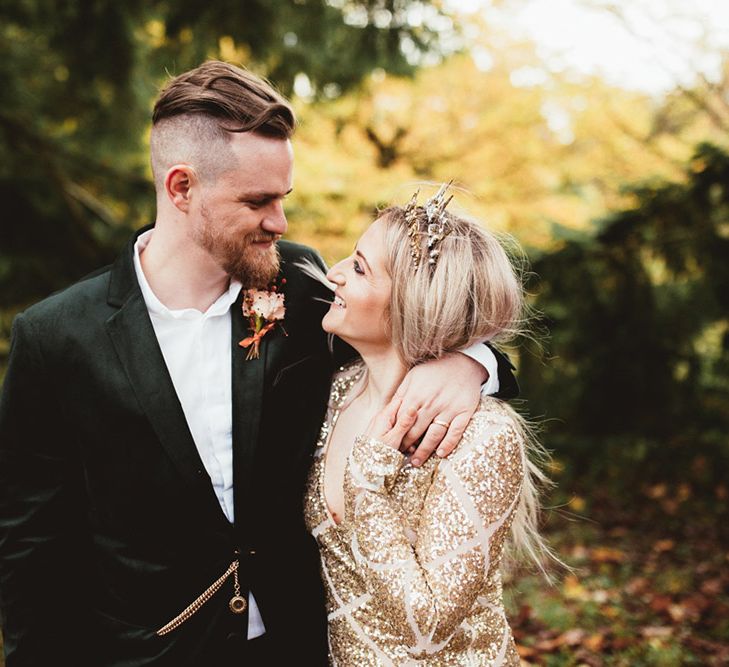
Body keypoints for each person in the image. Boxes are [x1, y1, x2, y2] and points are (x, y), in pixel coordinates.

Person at [0, 62, 517, 666]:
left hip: (300, 644)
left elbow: (413, 326)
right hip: (146, 651)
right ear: (181, 188)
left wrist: (471, 363)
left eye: (283, 197)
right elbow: (29, 542)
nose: (280, 221)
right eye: (258, 201)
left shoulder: (298, 288)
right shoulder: (58, 336)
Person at [304, 185, 551, 665]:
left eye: (358, 267)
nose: (331, 274)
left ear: (413, 305)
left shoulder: (479, 434)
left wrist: (366, 482)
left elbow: (430, 624)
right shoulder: (335, 392)